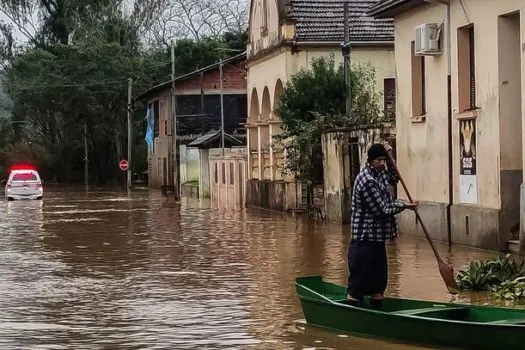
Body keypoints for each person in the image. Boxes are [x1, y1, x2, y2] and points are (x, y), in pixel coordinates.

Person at [346, 141, 417, 309]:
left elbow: (395, 177)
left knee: (379, 282)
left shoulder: (382, 173)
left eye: (384, 160)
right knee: (359, 282)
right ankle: (352, 311)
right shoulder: (367, 180)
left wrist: (392, 157)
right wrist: (404, 205)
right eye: (379, 160)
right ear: (371, 161)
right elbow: (381, 210)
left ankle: (377, 310)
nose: (382, 163)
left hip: (378, 239)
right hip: (364, 239)